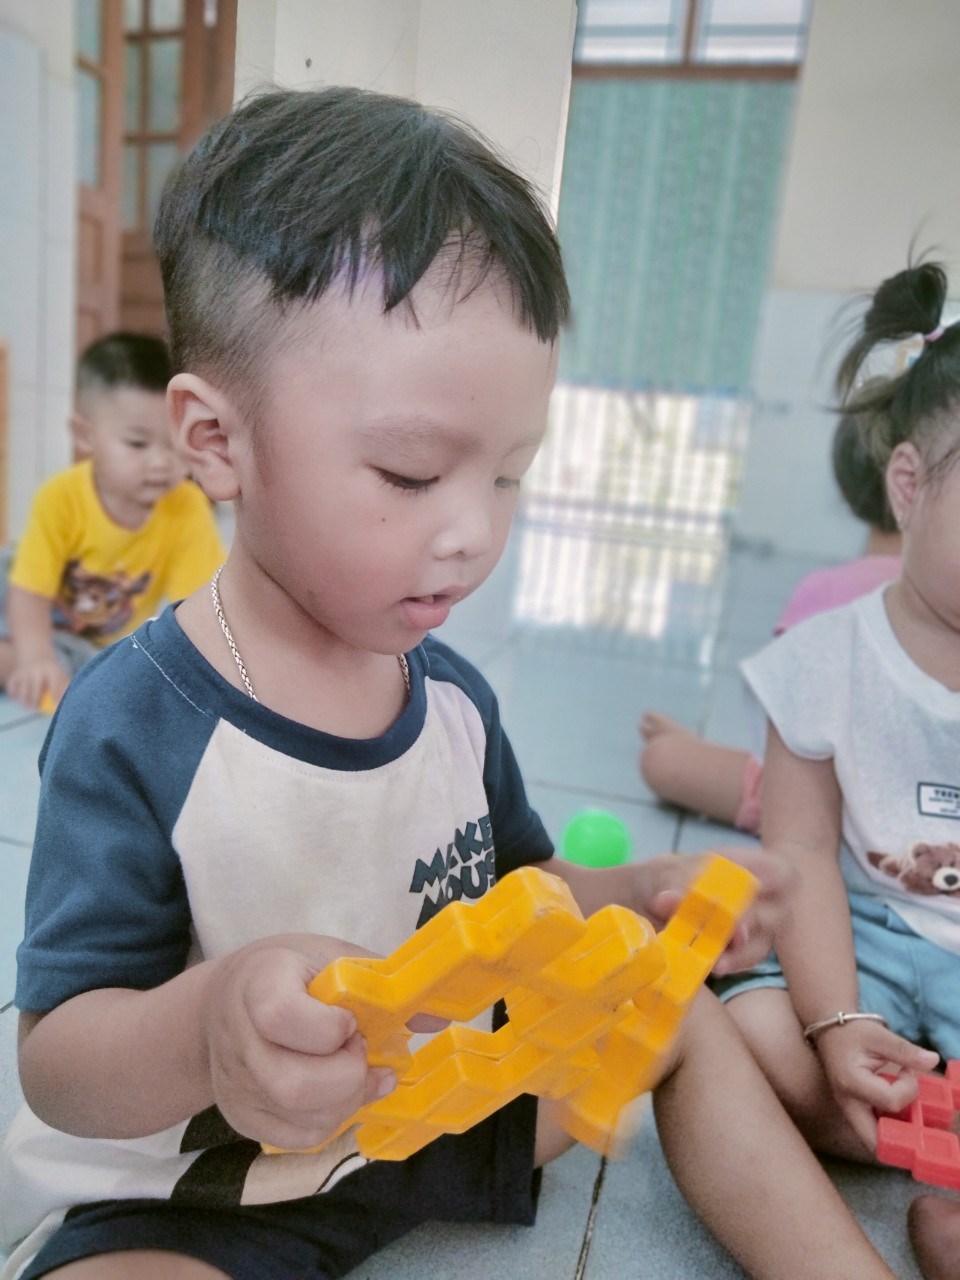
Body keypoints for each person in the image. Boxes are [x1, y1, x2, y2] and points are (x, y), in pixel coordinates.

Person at [0, 87, 900, 1280]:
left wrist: (639, 889)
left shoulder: (454, 700)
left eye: (509, 474)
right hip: (210, 1191)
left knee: (670, 1010)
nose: (475, 531)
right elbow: (58, 1057)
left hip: (437, 1110)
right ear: (217, 442)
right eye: (412, 472)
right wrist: (209, 1030)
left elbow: (528, 888)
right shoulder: (134, 722)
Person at [710, 259, 960, 1280]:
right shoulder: (825, 661)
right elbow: (803, 852)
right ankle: (895, 1116)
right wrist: (839, 1020)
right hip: (861, 934)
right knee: (753, 1031)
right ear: (909, 484)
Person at [638, 398, 902, 835]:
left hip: (817, 810)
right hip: (927, 816)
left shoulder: (824, 592)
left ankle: (693, 749)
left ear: (848, 483)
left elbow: (789, 732)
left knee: (663, 759)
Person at [0, 331, 227, 709]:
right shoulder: (60, 498)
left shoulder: (186, 508)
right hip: (24, 612)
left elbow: (198, 607)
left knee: (109, 689)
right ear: (84, 435)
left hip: (91, 645)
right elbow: (30, 592)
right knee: (22, 659)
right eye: (138, 444)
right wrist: (36, 657)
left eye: (174, 445)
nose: (161, 462)